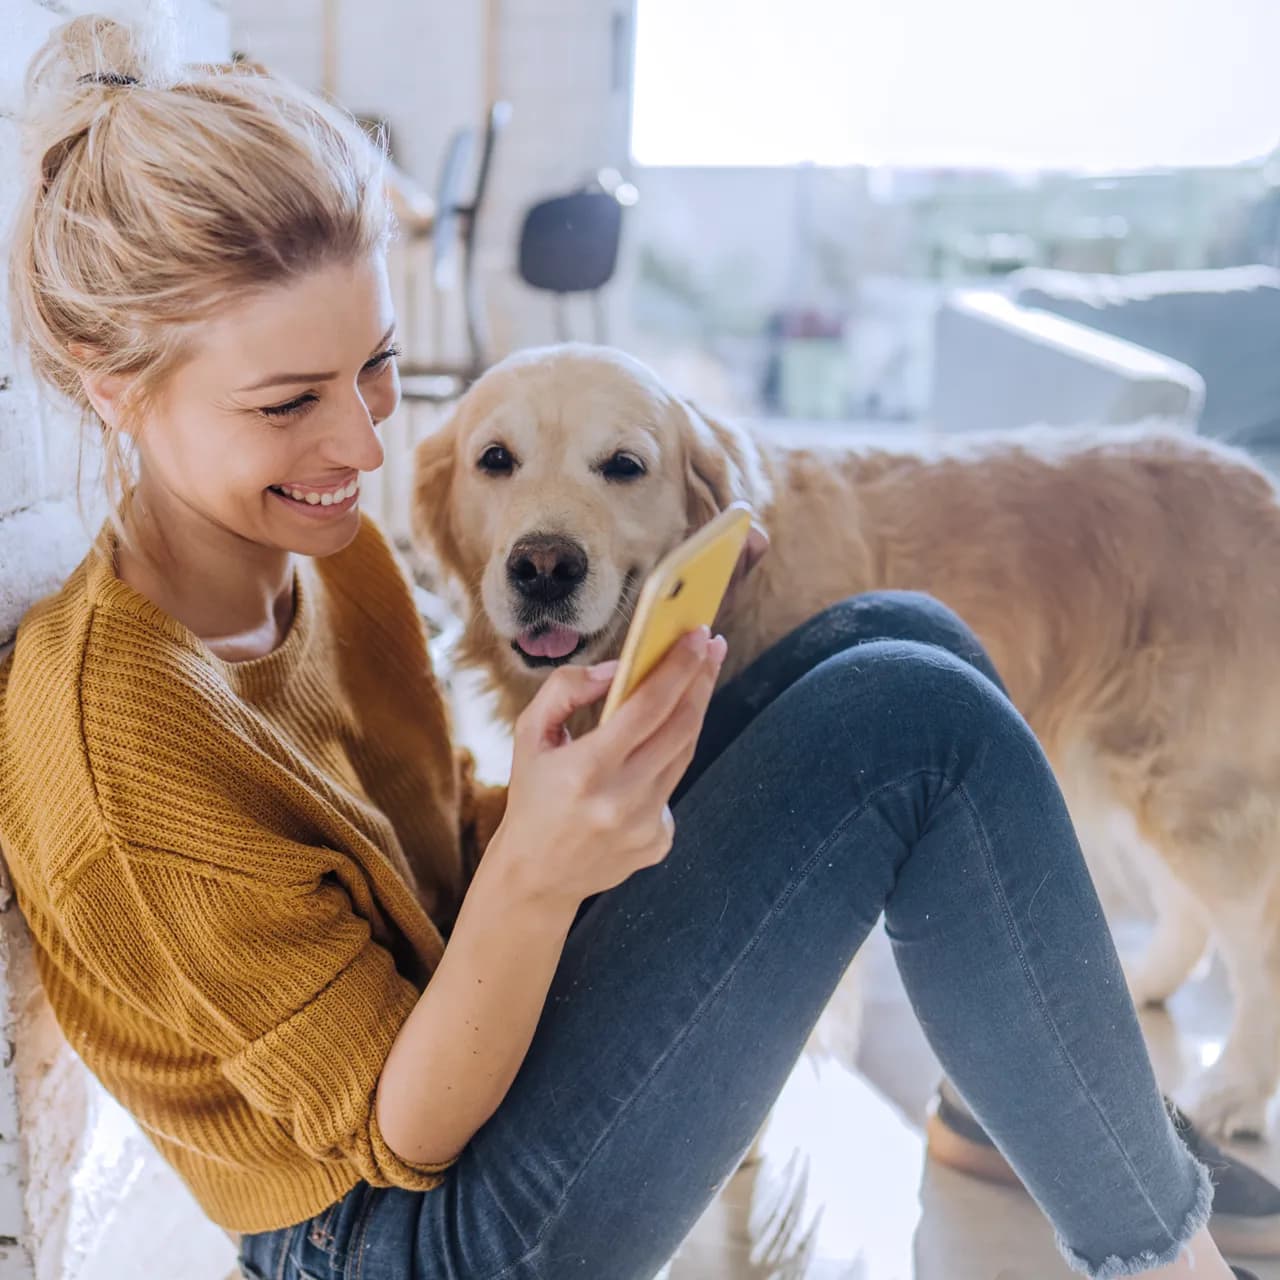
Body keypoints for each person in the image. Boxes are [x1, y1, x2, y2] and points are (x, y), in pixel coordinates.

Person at [0, 15, 1265, 1280]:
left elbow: (424, 845)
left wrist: (581, 794)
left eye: (373, 369)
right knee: (903, 723)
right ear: (112, 382)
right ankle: (1167, 1257)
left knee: (891, 637)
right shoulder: (123, 743)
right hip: (402, 1230)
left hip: (465, 1079)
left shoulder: (325, 563)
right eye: (289, 403)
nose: (364, 446)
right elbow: (397, 1130)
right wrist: (544, 869)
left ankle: (1025, 1101)